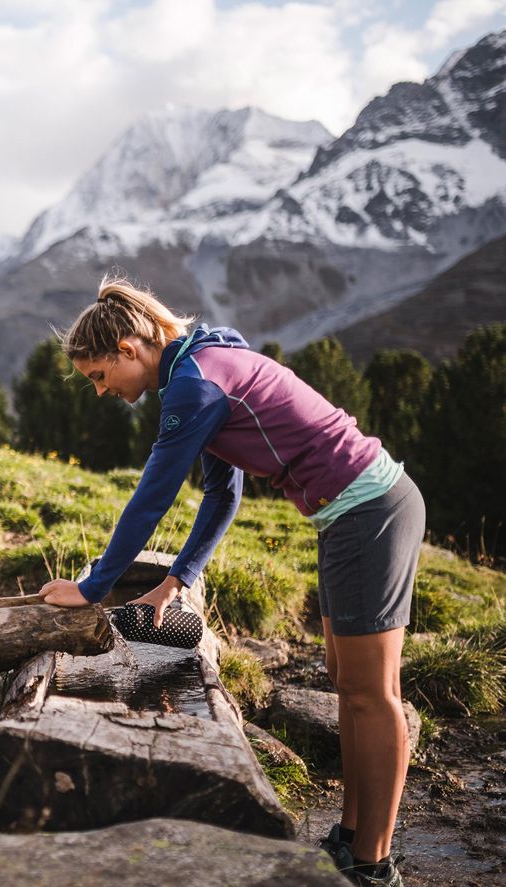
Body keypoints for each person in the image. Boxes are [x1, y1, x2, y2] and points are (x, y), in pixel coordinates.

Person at [37, 276, 423, 887]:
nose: (102, 391)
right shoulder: (200, 365)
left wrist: (92, 587)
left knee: (371, 691)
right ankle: (351, 837)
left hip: (369, 510)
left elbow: (152, 498)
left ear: (129, 348)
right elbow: (223, 491)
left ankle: (374, 865)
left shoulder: (194, 383)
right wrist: (178, 577)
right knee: (347, 681)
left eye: (98, 376)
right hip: (351, 511)